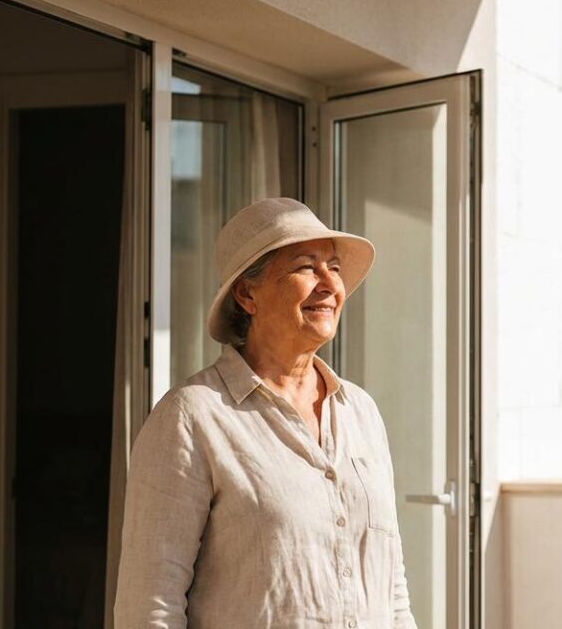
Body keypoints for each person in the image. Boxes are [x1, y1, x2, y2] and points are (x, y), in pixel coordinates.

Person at [114, 197, 416, 629]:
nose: (330, 284)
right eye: (307, 267)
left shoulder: (361, 412)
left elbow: (393, 592)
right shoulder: (193, 417)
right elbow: (149, 607)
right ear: (247, 293)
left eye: (334, 266)